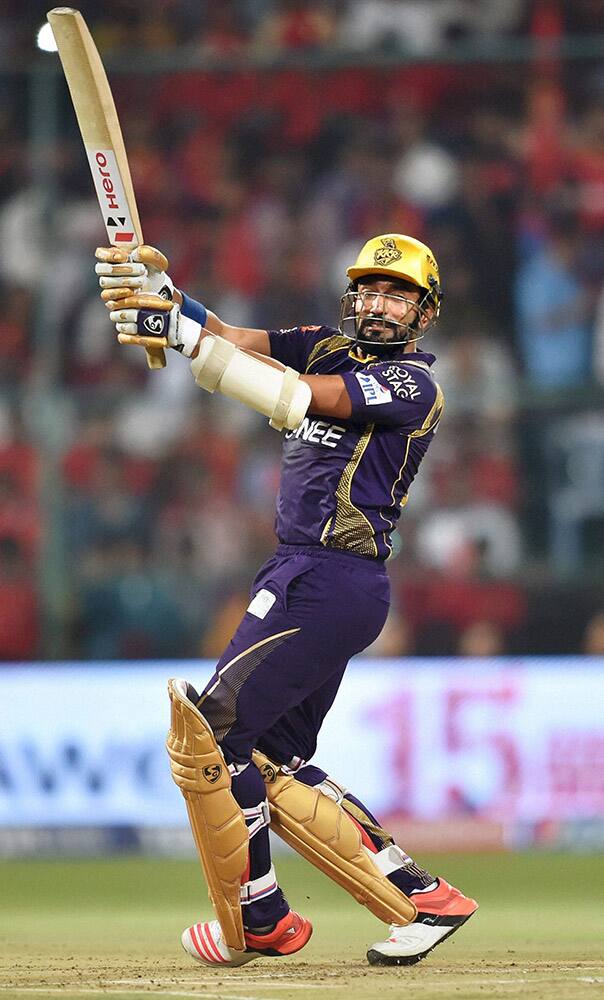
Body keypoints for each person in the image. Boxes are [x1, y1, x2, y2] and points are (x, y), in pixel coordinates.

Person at [95, 232, 477, 967]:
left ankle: (260, 915)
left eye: (397, 293)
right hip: (315, 576)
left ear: (424, 313)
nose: (377, 302)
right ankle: (423, 898)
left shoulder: (412, 384)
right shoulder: (327, 343)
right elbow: (234, 340)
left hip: (328, 576)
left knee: (208, 735)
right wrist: (158, 296)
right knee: (270, 756)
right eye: (369, 287)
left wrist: (177, 336)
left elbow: (293, 395)